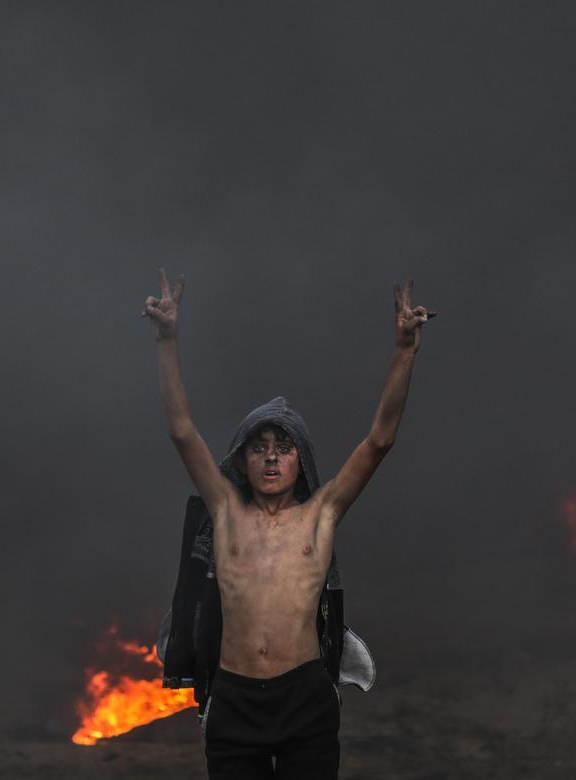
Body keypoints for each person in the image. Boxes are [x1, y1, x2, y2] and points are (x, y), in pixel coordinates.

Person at [141, 268, 432, 779]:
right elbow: (183, 432)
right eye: (260, 448)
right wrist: (167, 341)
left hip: (305, 700)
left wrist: (404, 351)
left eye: (284, 448)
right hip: (235, 701)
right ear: (244, 459)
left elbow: (379, 441)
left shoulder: (320, 516)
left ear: (301, 461)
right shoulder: (227, 515)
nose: (271, 459)